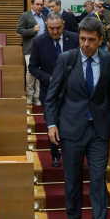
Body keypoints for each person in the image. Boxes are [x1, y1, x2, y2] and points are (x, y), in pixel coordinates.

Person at [44, 17, 110, 219]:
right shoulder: (67, 59)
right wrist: (51, 125)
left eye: (91, 40)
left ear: (100, 40)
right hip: (71, 131)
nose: (85, 44)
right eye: (83, 39)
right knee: (73, 181)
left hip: (98, 132)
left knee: (98, 182)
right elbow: (52, 96)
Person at [28, 11, 79, 168]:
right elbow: (32, 67)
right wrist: (49, 78)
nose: (55, 31)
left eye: (58, 28)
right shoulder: (39, 42)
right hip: (49, 91)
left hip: (73, 92)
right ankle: (55, 154)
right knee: (52, 123)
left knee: (73, 124)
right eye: (51, 28)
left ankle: (75, 156)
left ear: (63, 24)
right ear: (46, 27)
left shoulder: (75, 38)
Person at [17, 0, 46, 105]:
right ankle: (29, 95)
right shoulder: (25, 16)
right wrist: (32, 30)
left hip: (43, 49)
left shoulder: (44, 17)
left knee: (40, 72)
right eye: (37, 4)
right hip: (30, 49)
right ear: (32, 5)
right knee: (30, 71)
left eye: (41, 5)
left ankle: (37, 96)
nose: (40, 7)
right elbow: (19, 31)